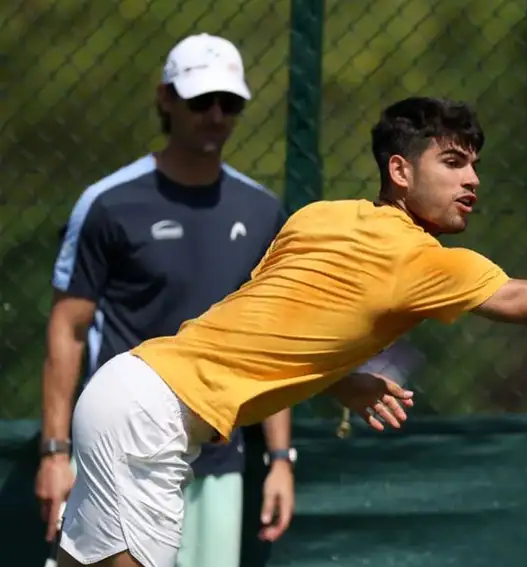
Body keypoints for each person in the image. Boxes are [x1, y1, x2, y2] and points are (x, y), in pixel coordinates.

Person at [55, 95, 527, 567]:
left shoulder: (316, 218)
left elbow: (264, 324)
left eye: (475, 165)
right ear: (399, 171)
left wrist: (339, 377)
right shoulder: (422, 261)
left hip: (128, 387)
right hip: (151, 416)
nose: (473, 180)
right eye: (453, 162)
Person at [38, 33, 300, 567]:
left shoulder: (262, 210)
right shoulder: (109, 204)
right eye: (201, 100)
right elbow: (66, 331)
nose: (216, 115)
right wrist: (55, 452)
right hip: (122, 456)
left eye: (231, 103)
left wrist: (279, 458)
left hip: (221, 461)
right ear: (165, 99)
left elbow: (271, 341)